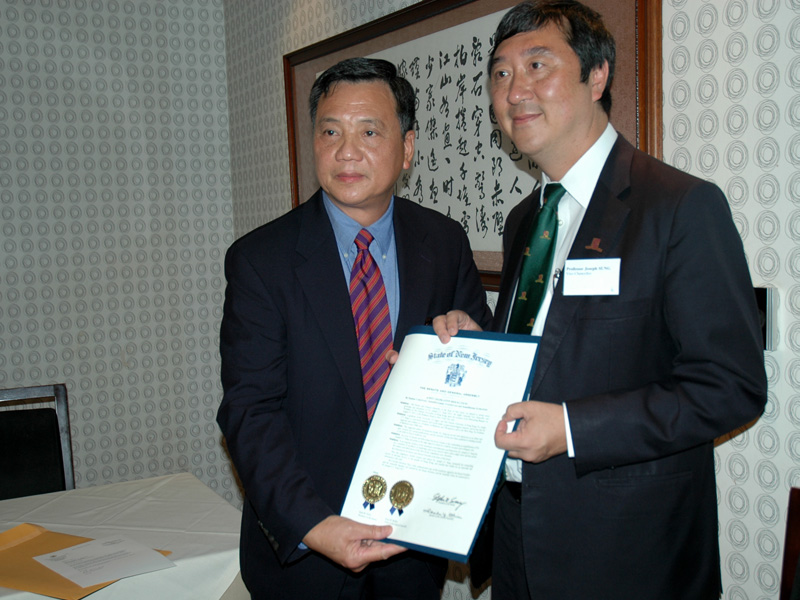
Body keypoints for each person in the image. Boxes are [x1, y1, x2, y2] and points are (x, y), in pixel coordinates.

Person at [431, 1, 768, 598]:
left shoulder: (678, 207)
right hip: (517, 539)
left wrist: (570, 427)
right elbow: (550, 350)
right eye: (502, 73)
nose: (515, 90)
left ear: (597, 76)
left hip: (627, 553)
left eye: (539, 65)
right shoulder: (522, 222)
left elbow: (730, 386)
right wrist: (477, 346)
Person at [216, 57, 492, 600]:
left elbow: (472, 387)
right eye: (330, 131)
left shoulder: (443, 243)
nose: (347, 150)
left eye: (369, 131)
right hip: (303, 558)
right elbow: (249, 411)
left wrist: (468, 344)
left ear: (407, 147)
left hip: (412, 551)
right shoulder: (261, 260)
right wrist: (315, 526)